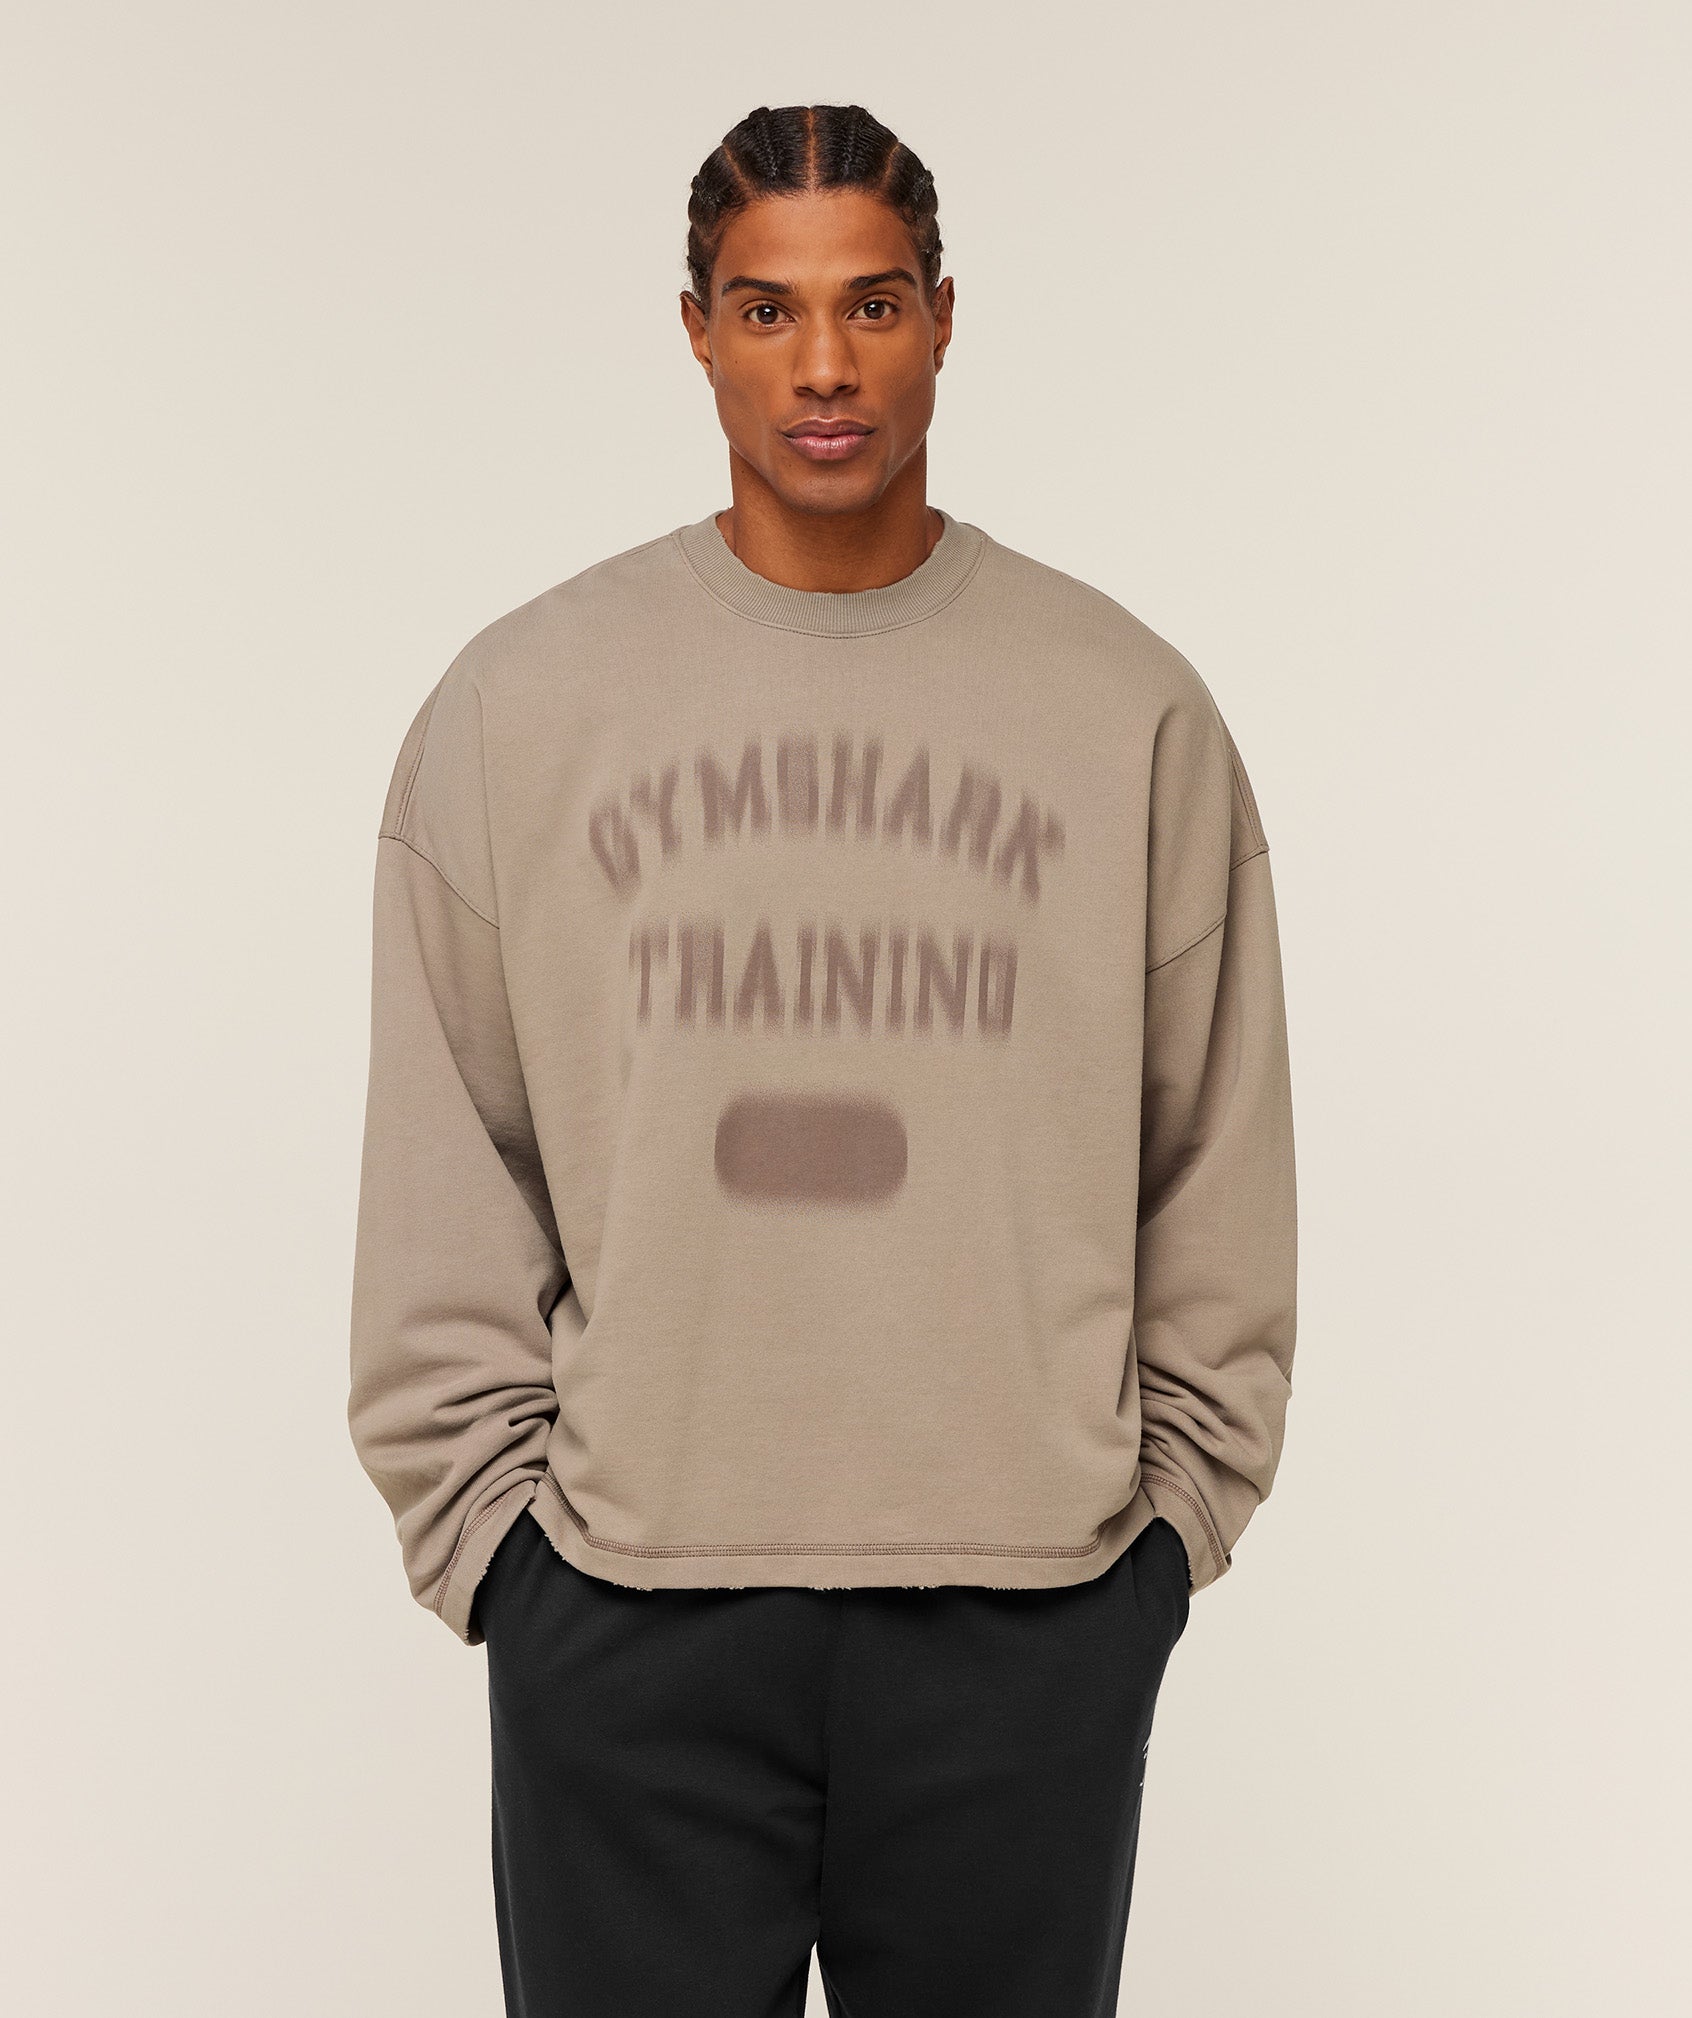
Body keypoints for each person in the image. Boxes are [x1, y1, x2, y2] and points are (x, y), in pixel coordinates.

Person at [348, 100, 1297, 2018]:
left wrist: (1162, 1537)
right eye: (767, 310)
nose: (825, 367)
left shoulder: (1124, 709)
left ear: (944, 315)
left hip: (1028, 1617)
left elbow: (1215, 1141)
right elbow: (453, 1136)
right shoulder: (522, 706)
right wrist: (504, 1555)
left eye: (870, 303)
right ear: (695, 332)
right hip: (627, 1612)